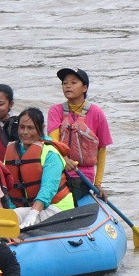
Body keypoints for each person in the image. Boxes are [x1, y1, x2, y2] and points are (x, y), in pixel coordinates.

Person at [4, 107, 75, 228]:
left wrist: (33, 213)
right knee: (10, 216)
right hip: (27, 207)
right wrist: (11, 209)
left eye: (30, 128)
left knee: (16, 216)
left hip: (56, 207)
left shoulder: (50, 153)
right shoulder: (11, 151)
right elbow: (7, 186)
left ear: (41, 129)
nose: (25, 132)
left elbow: (48, 188)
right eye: (22, 127)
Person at [47, 68, 113, 198]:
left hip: (82, 176)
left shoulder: (96, 113)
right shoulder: (55, 111)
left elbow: (102, 150)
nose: (68, 86)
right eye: (65, 83)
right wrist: (64, 159)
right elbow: (53, 142)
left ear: (84, 88)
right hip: (58, 172)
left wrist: (98, 184)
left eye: (73, 82)